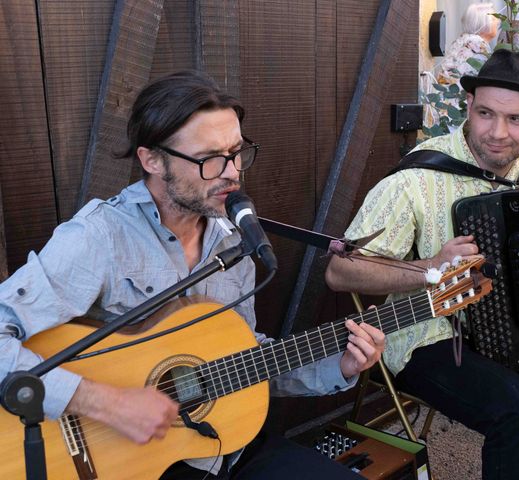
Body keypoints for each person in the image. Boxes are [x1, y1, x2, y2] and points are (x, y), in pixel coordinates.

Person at [0, 70, 385, 479]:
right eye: (209, 159)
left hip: (223, 446)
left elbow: (242, 358)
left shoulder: (232, 240)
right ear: (151, 160)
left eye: (236, 152)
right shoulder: (99, 238)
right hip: (128, 461)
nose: (233, 172)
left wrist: (339, 366)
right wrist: (107, 404)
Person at [326, 49, 519, 480]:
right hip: (429, 337)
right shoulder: (415, 178)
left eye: (516, 120)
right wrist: (432, 265)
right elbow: (340, 271)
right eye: (486, 114)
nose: (497, 133)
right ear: (469, 107)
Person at [436, 3, 499, 85]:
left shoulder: (464, 39)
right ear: (483, 23)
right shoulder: (477, 43)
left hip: (449, 93)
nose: (498, 22)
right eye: (494, 19)